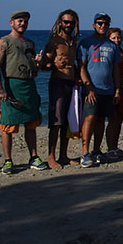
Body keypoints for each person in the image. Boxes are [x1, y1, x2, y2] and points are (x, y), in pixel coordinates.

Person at [0, 10, 47, 174]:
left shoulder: (30, 43)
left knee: (31, 124)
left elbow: (35, 71)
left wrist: (38, 64)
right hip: (11, 85)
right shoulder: (4, 42)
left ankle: (34, 157)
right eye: (19, 21)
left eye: (25, 21)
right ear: (11, 23)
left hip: (29, 86)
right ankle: (8, 161)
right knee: (7, 125)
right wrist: (0, 89)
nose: (22, 23)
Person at [78, 12, 122, 167]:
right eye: (99, 23)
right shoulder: (86, 43)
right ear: (94, 25)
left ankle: (97, 150)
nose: (102, 26)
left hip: (108, 90)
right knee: (90, 118)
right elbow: (81, 67)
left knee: (101, 121)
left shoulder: (112, 46)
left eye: (105, 23)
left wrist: (117, 90)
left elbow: (116, 69)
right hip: (92, 90)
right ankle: (85, 152)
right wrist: (88, 87)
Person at [42, 9, 80, 169]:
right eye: (65, 22)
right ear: (60, 22)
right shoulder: (54, 41)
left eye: (71, 22)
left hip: (71, 84)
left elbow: (75, 63)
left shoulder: (73, 41)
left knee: (67, 121)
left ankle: (63, 155)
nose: (68, 25)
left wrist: (78, 76)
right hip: (57, 83)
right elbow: (43, 64)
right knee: (56, 121)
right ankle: (51, 156)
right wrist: (54, 65)